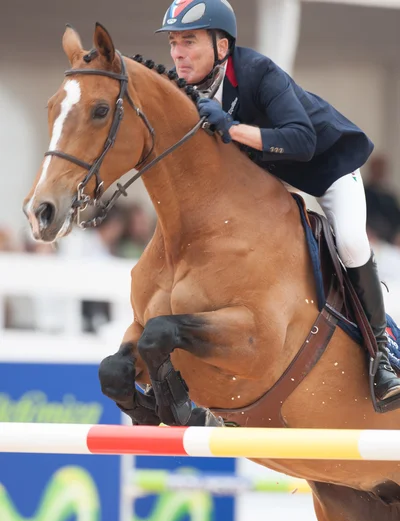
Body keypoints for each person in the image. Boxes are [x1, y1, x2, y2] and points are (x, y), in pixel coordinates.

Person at [156, 0, 400, 412]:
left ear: (221, 47)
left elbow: (302, 141)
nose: (178, 53)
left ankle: (383, 355)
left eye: (189, 42)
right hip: (273, 183)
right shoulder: (187, 93)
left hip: (327, 171)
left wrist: (231, 128)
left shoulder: (257, 72)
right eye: (174, 43)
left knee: (353, 244)